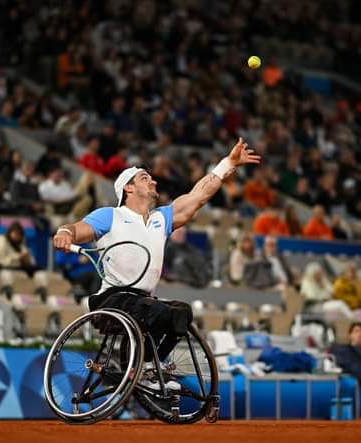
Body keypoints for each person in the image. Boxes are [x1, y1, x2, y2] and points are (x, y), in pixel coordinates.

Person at [52, 138, 260, 390]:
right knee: (156, 311)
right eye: (144, 178)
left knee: (182, 312)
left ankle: (148, 366)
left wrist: (228, 163)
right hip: (111, 299)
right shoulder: (111, 215)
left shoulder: (162, 218)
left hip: (143, 300)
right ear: (128, 189)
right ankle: (141, 367)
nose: (154, 181)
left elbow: (199, 195)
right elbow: (75, 229)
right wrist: (64, 232)